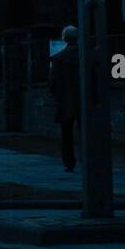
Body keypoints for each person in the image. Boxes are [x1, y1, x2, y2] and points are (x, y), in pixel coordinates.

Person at [48, 25, 81, 171]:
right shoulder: (86, 57)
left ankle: (69, 163)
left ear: (64, 38)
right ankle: (87, 160)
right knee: (85, 132)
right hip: (83, 100)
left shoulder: (58, 59)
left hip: (65, 101)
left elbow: (52, 83)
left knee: (66, 134)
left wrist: (58, 95)